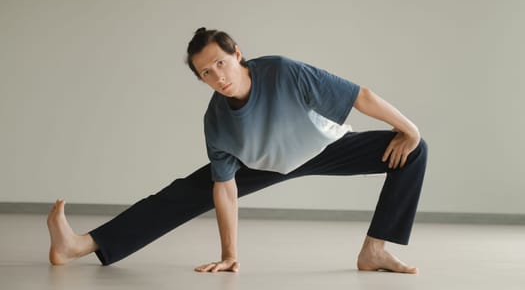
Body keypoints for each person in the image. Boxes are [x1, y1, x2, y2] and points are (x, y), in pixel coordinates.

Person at [47, 28, 428, 274]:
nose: (218, 77)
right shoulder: (216, 121)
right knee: (181, 195)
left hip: (327, 146)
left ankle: (374, 250)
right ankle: (80, 245)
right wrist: (229, 254)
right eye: (206, 73)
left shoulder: (284, 72)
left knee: (414, 150)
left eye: (220, 63)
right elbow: (225, 191)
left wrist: (408, 129)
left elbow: (360, 96)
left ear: (237, 54)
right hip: (265, 163)